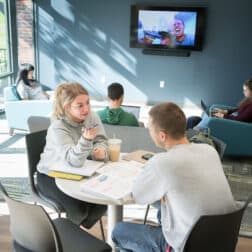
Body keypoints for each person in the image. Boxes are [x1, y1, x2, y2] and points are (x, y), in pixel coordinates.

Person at [112, 102, 236, 252]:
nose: (149, 132)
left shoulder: (162, 162)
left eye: (150, 129)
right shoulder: (208, 150)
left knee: (119, 232)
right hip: (223, 239)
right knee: (161, 210)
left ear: (162, 135)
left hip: (187, 246)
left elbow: (138, 196)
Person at [37, 82, 108, 227]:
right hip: (50, 175)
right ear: (67, 107)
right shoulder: (58, 127)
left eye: (87, 102)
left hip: (78, 172)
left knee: (102, 202)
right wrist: (87, 139)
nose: (86, 108)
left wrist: (98, 151)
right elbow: (72, 160)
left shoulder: (91, 116)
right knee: (79, 209)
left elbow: (101, 139)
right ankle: (66, 238)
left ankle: (76, 231)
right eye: (80, 105)